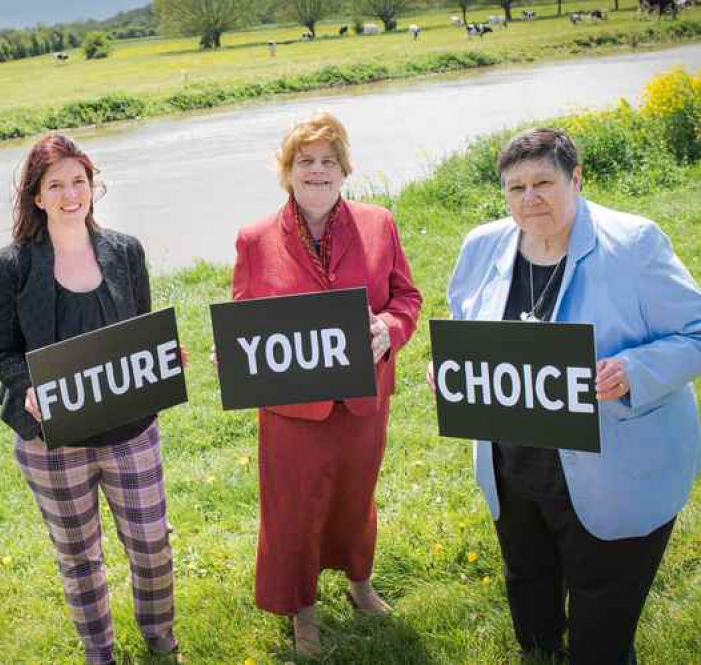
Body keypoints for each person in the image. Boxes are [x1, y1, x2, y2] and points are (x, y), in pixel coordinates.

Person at [437, 127, 701, 663]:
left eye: (543, 182)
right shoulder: (482, 245)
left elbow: (696, 331)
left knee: (601, 621)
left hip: (612, 465)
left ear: (576, 179)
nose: (529, 199)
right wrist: (456, 370)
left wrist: (633, 369)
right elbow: (469, 324)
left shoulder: (634, 244)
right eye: (515, 188)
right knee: (529, 584)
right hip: (513, 465)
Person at [231, 111, 422, 656]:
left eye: (328, 161)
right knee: (292, 507)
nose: (317, 171)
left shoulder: (379, 222)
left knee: (355, 497)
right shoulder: (254, 238)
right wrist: (236, 360)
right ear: (287, 171)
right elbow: (245, 323)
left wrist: (390, 328)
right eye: (305, 162)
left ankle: (361, 584)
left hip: (364, 398)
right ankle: (303, 610)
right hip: (292, 408)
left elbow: (406, 298)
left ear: (344, 168)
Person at [0, 133, 178, 665]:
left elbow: (139, 328)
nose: (71, 194)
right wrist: (25, 389)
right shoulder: (14, 266)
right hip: (54, 444)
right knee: (79, 559)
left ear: (93, 187)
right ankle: (100, 654)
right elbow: (0, 353)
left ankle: (161, 640)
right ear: (37, 197)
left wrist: (162, 357)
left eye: (79, 181)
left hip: (128, 430)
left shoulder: (125, 252)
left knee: (151, 544)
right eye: (56, 185)